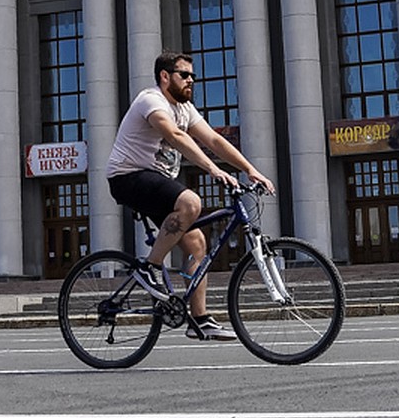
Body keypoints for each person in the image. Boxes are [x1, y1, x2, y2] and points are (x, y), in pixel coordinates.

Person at [106, 50, 275, 340]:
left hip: (156, 181)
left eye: (193, 76)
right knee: (190, 202)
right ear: (164, 76)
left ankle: (200, 321)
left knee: (197, 243)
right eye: (184, 75)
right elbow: (175, 136)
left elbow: (213, 139)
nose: (191, 81)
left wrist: (250, 169)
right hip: (127, 178)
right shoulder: (152, 100)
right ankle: (150, 268)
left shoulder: (185, 109)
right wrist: (213, 169)